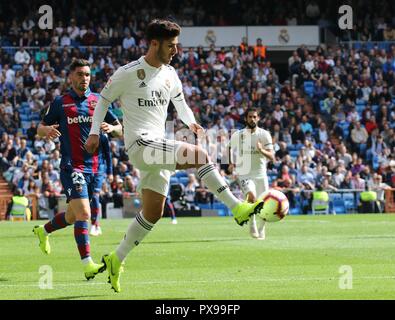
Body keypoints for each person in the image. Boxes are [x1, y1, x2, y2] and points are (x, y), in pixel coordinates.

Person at [85, 19, 264, 292]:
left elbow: (180, 104)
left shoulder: (170, 74)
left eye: (177, 45)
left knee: (153, 212)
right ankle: (237, 208)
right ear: (154, 43)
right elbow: (103, 100)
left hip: (159, 143)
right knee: (201, 155)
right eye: (171, 45)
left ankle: (115, 258)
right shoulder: (127, 72)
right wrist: (94, 132)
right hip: (141, 145)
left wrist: (191, 122)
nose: (176, 51)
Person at [32, 59, 122, 280]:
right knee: (84, 214)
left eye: (88, 75)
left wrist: (112, 128)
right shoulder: (60, 103)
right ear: (70, 77)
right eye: (80, 74)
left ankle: (43, 231)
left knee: (73, 216)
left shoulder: (98, 101)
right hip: (72, 166)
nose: (85, 78)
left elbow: (120, 129)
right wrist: (47, 131)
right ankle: (87, 264)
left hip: (95, 168)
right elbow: (39, 129)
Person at [229, 108, 275, 240]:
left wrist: (261, 150)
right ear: (246, 118)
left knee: (263, 204)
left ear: (258, 118)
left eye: (255, 117)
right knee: (251, 196)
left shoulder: (264, 134)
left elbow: (272, 157)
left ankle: (262, 228)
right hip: (245, 173)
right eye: (250, 117)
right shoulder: (239, 134)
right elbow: (228, 148)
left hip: (261, 174)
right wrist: (231, 163)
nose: (252, 119)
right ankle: (252, 224)